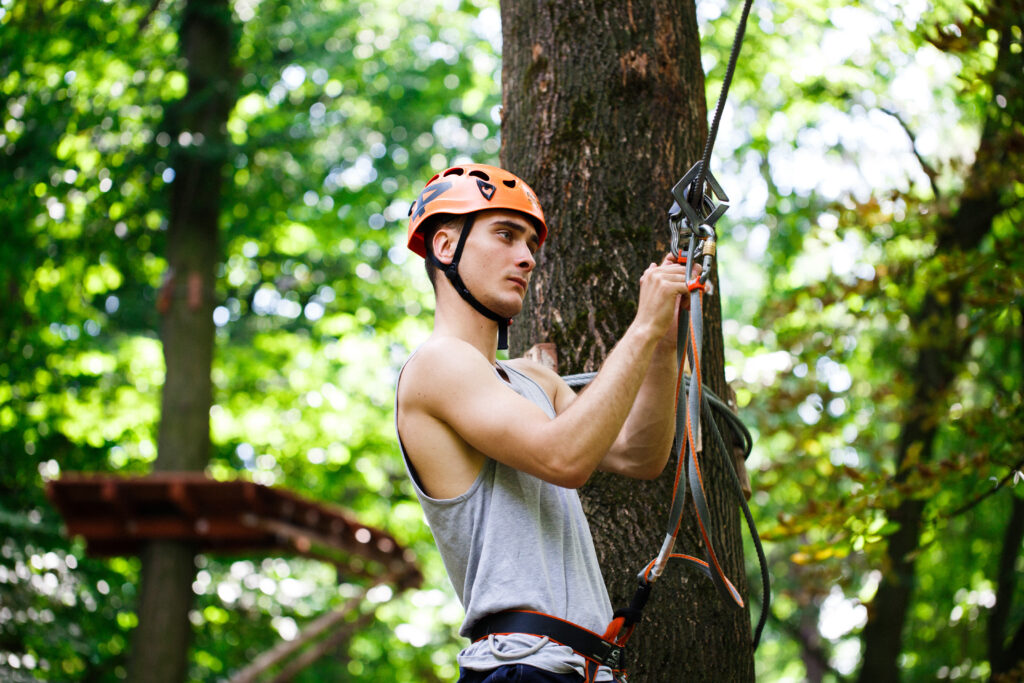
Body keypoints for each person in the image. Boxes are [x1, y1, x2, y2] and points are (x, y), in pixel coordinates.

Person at [394, 163, 693, 682]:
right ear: (444, 247)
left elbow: (639, 456)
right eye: (505, 235)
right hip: (521, 665)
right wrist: (641, 328)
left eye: (530, 242)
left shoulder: (533, 380)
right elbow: (565, 457)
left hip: (583, 667)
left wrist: (663, 347)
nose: (527, 257)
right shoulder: (436, 365)